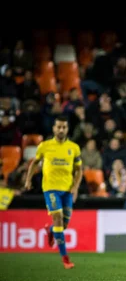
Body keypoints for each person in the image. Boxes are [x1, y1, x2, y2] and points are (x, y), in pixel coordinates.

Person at [24, 115, 83, 269]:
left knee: (63, 225)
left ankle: (50, 230)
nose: (61, 130)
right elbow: (34, 163)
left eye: (64, 127)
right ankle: (66, 259)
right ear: (53, 128)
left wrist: (75, 187)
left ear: (67, 129)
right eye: (58, 127)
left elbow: (79, 170)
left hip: (67, 190)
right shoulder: (45, 146)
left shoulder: (74, 148)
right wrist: (28, 180)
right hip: (50, 188)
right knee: (57, 217)